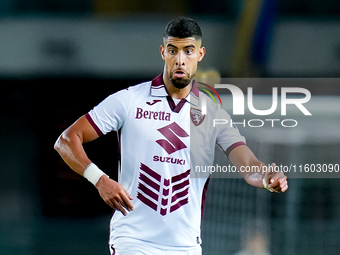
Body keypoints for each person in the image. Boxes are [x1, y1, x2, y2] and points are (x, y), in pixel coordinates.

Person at [54, 16, 288, 255]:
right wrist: (100, 180)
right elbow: (66, 140)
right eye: (173, 50)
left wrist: (266, 177)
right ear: (162, 52)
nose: (180, 60)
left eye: (188, 51)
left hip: (186, 247)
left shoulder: (213, 114)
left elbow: (248, 165)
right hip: (134, 241)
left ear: (200, 54)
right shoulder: (129, 100)